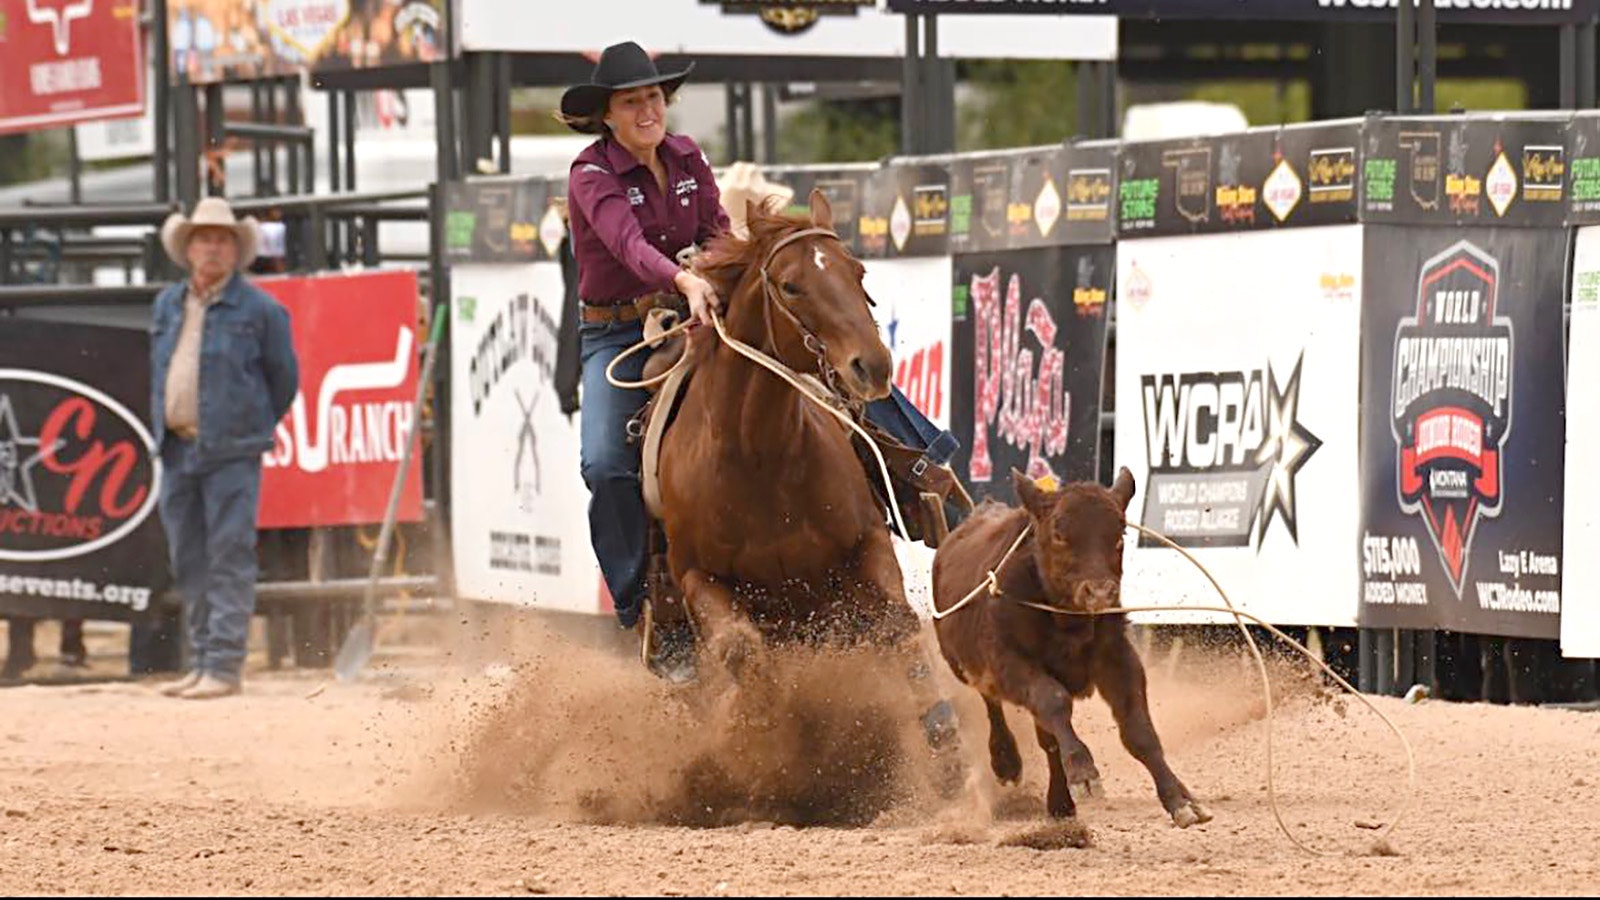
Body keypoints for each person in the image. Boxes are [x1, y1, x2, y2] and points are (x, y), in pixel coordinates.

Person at [558, 41, 963, 683]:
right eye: (632, 102)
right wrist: (681, 280)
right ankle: (643, 606)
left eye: (654, 98)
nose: (647, 111)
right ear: (606, 114)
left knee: (833, 369)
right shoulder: (591, 176)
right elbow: (626, 245)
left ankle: (927, 477)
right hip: (619, 332)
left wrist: (715, 275)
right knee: (607, 462)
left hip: (704, 306)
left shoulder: (687, 158)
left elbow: (717, 229)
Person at [148, 197, 300, 700]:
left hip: (230, 448)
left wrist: (247, 427)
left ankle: (223, 662)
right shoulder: (169, 304)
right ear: (188, 249)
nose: (212, 248)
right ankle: (202, 659)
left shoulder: (261, 310)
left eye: (221, 240)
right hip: (178, 447)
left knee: (228, 552)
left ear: (235, 251)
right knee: (189, 555)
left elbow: (284, 380)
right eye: (203, 239)